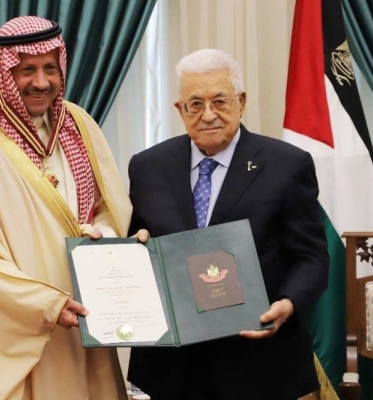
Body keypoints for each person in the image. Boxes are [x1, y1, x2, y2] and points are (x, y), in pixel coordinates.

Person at [0, 16, 133, 399]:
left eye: (50, 68)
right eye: (27, 70)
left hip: (84, 317)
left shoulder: (79, 124)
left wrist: (103, 237)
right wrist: (45, 304)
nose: (42, 82)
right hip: (13, 330)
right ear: (5, 71)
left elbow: (109, 206)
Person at [126, 49, 329, 399]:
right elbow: (141, 242)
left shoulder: (287, 164)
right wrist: (131, 250)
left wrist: (288, 304)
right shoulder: (147, 167)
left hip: (260, 361)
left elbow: (311, 257)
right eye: (195, 104)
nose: (208, 115)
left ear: (241, 101)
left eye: (220, 101)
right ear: (180, 110)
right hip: (173, 368)